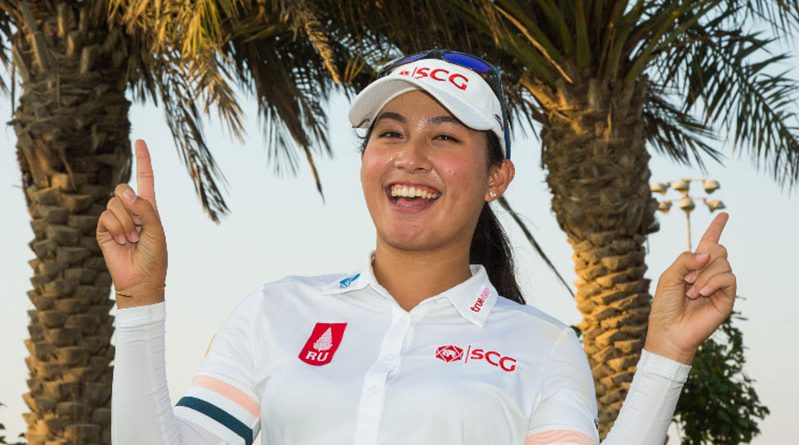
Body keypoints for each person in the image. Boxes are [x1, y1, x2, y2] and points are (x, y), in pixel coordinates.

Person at [99, 49, 736, 445]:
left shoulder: (543, 347)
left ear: (496, 178)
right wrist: (138, 298)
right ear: (365, 162)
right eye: (391, 133)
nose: (410, 157)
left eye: (445, 137)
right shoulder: (275, 311)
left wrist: (666, 353)